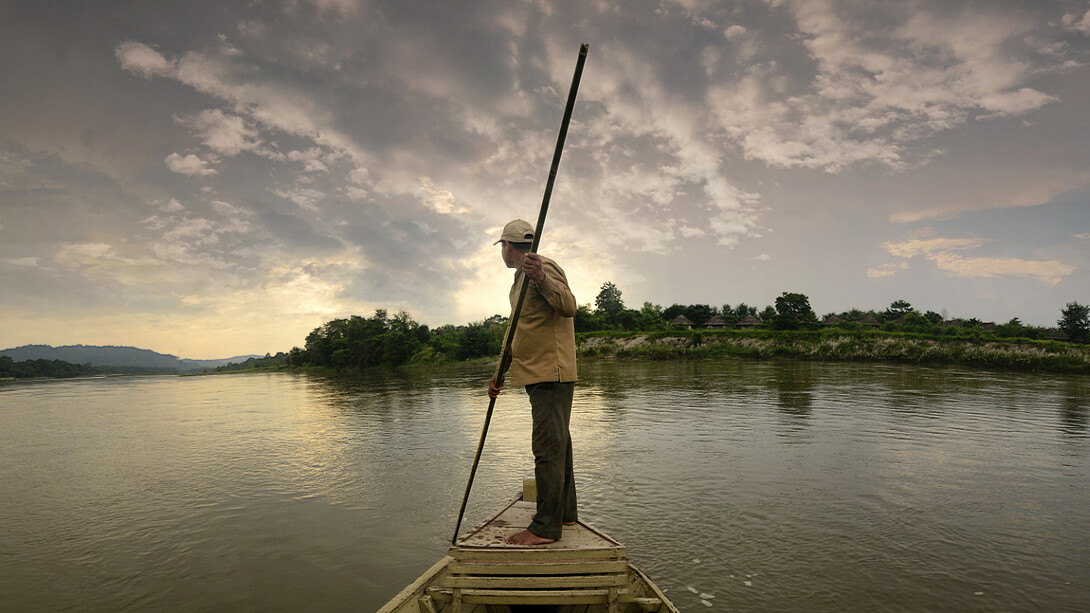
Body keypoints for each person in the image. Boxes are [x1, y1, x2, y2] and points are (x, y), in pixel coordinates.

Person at [487, 219, 578, 546]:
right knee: (558, 444)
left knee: (547, 448)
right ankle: (565, 513)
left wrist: (541, 276)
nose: (504, 252)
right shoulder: (518, 282)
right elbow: (515, 332)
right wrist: (500, 372)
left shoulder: (542, 267)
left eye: (503, 248)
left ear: (507, 246)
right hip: (538, 374)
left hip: (550, 374)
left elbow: (569, 306)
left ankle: (544, 527)